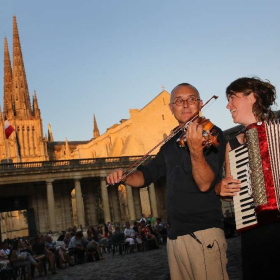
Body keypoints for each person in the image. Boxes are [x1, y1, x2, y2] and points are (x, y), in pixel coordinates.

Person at [107, 83, 228, 280]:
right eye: (179, 101)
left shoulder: (212, 135)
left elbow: (206, 183)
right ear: (171, 109)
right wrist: (125, 177)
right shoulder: (170, 144)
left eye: (191, 99)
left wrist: (195, 150)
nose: (186, 105)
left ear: (200, 104)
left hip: (204, 232)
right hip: (175, 238)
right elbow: (146, 175)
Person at [215, 77, 280, 280]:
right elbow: (229, 192)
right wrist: (221, 189)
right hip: (255, 229)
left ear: (252, 97)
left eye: (232, 98)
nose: (228, 105)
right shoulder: (232, 145)